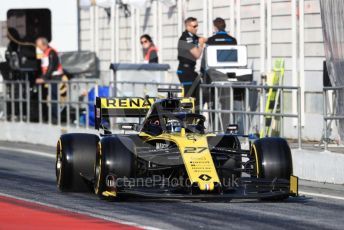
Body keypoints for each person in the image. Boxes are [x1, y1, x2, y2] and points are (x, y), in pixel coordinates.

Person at [177, 17, 207, 112]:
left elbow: (203, 39)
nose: (196, 28)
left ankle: (196, 118)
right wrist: (201, 44)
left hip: (191, 70)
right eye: (194, 26)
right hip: (185, 71)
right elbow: (197, 54)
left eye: (197, 25)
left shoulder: (193, 36)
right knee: (188, 97)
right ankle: (185, 119)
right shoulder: (186, 38)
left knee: (199, 95)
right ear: (188, 26)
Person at [35, 37, 63, 123]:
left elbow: (51, 67)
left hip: (54, 78)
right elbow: (45, 68)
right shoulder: (45, 53)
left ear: (44, 45)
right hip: (49, 78)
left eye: (39, 46)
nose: (38, 48)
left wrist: (44, 78)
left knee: (54, 98)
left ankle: (55, 119)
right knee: (46, 97)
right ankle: (46, 116)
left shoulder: (51, 52)